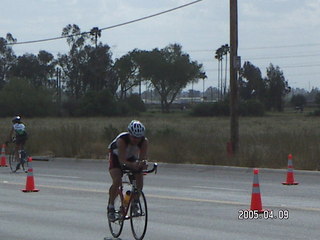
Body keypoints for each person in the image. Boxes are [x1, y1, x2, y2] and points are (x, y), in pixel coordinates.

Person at [107, 120, 148, 221]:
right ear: (129, 134)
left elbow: (141, 158)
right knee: (117, 180)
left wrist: (142, 164)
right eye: (134, 137)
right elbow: (122, 161)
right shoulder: (122, 140)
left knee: (139, 178)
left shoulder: (144, 142)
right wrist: (133, 165)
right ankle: (111, 206)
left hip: (130, 157)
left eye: (138, 138)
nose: (136, 140)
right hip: (116, 157)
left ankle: (134, 202)